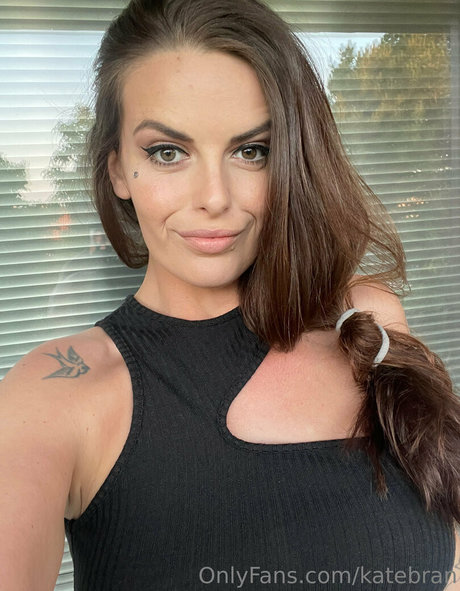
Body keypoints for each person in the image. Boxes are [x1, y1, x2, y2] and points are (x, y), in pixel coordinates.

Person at [1, 0, 459, 589]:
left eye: (252, 151)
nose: (214, 197)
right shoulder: (58, 393)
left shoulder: (365, 321)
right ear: (117, 170)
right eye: (167, 153)